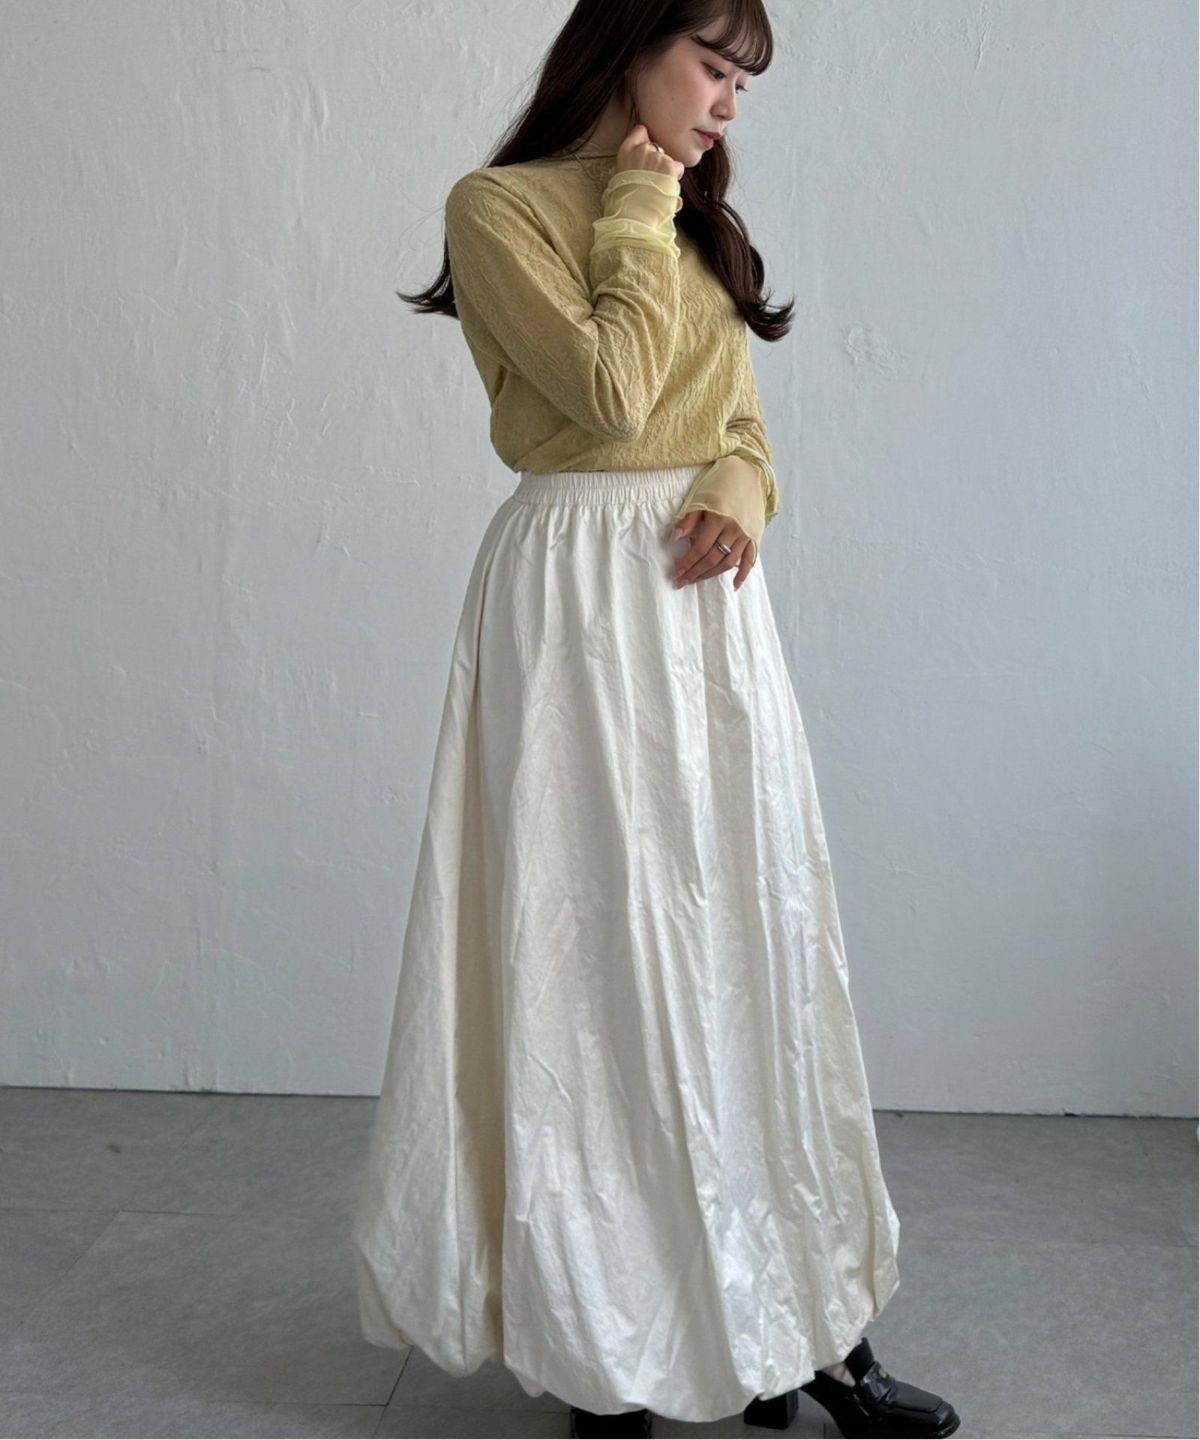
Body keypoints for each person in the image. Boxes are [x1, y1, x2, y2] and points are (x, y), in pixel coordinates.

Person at [350, 4, 961, 1437]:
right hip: (574, 595)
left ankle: (798, 1326)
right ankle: (609, 1342)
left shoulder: (695, 219)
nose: (730, 102)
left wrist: (744, 489)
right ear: (628, 43)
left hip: (705, 610)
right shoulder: (500, 208)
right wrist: (636, 205)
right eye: (713, 66)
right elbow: (614, 397)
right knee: (594, 956)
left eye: (746, 79)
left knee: (750, 941)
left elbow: (732, 423)